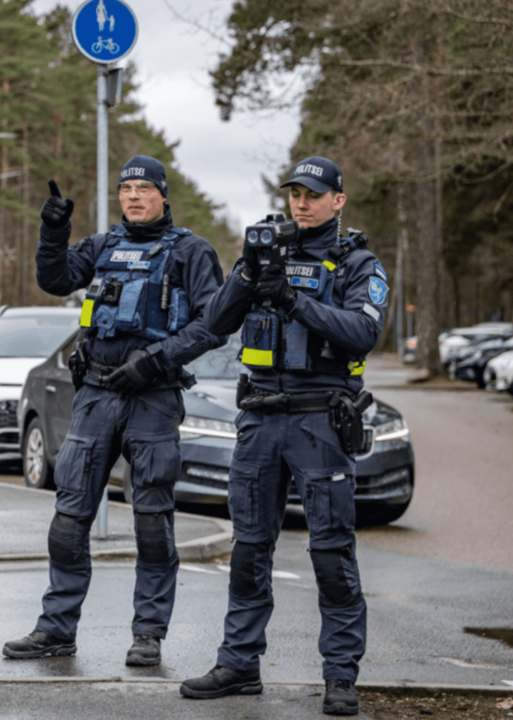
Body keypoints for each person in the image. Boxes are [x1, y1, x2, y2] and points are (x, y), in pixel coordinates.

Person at [180, 156, 388, 716]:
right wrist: (248, 274)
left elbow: (363, 331)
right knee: (249, 548)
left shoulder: (357, 263)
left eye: (313, 195)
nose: (302, 203)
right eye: (295, 193)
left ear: (337, 201)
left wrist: (295, 300)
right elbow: (216, 323)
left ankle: (340, 677)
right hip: (259, 421)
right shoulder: (264, 252)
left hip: (320, 421)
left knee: (331, 552)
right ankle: (238, 665)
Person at [3, 156, 226, 667]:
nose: (133, 196)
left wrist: (155, 361)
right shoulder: (104, 246)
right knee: (69, 517)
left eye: (144, 188)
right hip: (96, 395)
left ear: (163, 195)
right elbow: (55, 279)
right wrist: (53, 233)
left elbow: (214, 324)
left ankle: (148, 634)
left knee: (151, 521)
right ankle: (56, 629)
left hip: (153, 397)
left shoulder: (191, 251)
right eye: (126, 189)